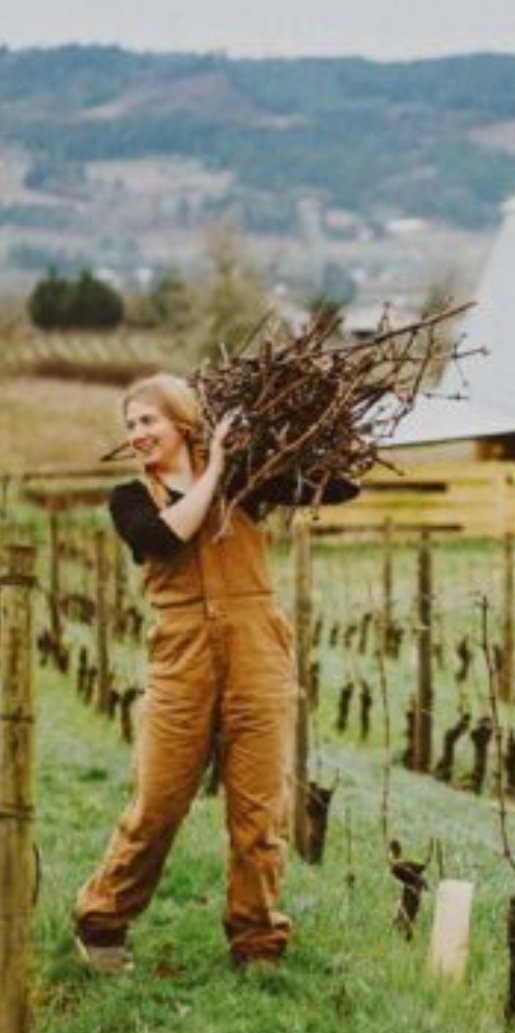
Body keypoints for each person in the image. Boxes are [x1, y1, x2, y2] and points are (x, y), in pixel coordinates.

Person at [74, 373, 356, 972]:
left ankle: (257, 942)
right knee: (157, 805)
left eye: (148, 420)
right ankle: (101, 922)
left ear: (181, 419)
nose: (138, 434)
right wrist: (219, 467)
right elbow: (168, 537)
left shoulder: (249, 481)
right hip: (181, 658)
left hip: (258, 650)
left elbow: (339, 489)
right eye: (130, 425)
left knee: (260, 812)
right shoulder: (130, 499)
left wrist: (321, 432)